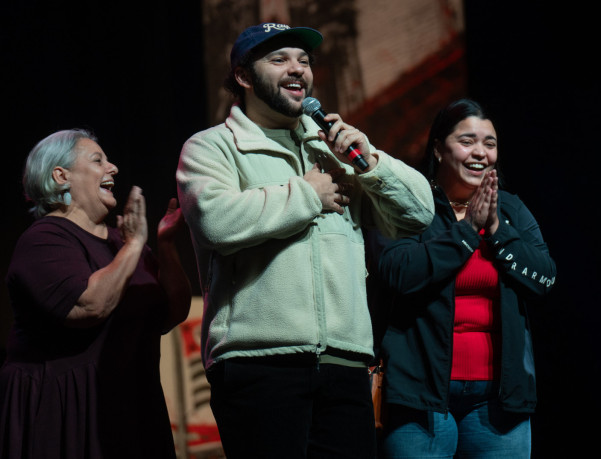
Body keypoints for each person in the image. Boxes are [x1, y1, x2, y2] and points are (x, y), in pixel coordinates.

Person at [175, 23, 434, 458]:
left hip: (345, 363)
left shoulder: (331, 150)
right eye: (279, 60)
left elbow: (419, 215)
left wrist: (372, 162)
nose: (297, 69)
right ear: (243, 76)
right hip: (259, 365)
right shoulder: (213, 147)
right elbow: (215, 222)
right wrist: (308, 195)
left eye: (304, 60)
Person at [376, 99, 557, 457]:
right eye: (467, 141)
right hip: (421, 399)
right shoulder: (410, 205)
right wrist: (467, 231)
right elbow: (398, 273)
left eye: (489, 144)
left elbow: (544, 279)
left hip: (498, 402)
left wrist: (496, 229)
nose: (481, 153)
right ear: (440, 150)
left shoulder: (511, 210)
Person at [0, 129, 191, 458]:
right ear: (61, 176)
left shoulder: (121, 240)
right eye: (97, 160)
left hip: (132, 405)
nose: (113, 167)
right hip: (69, 410)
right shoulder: (44, 239)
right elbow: (89, 306)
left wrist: (166, 244)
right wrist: (134, 245)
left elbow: (173, 312)